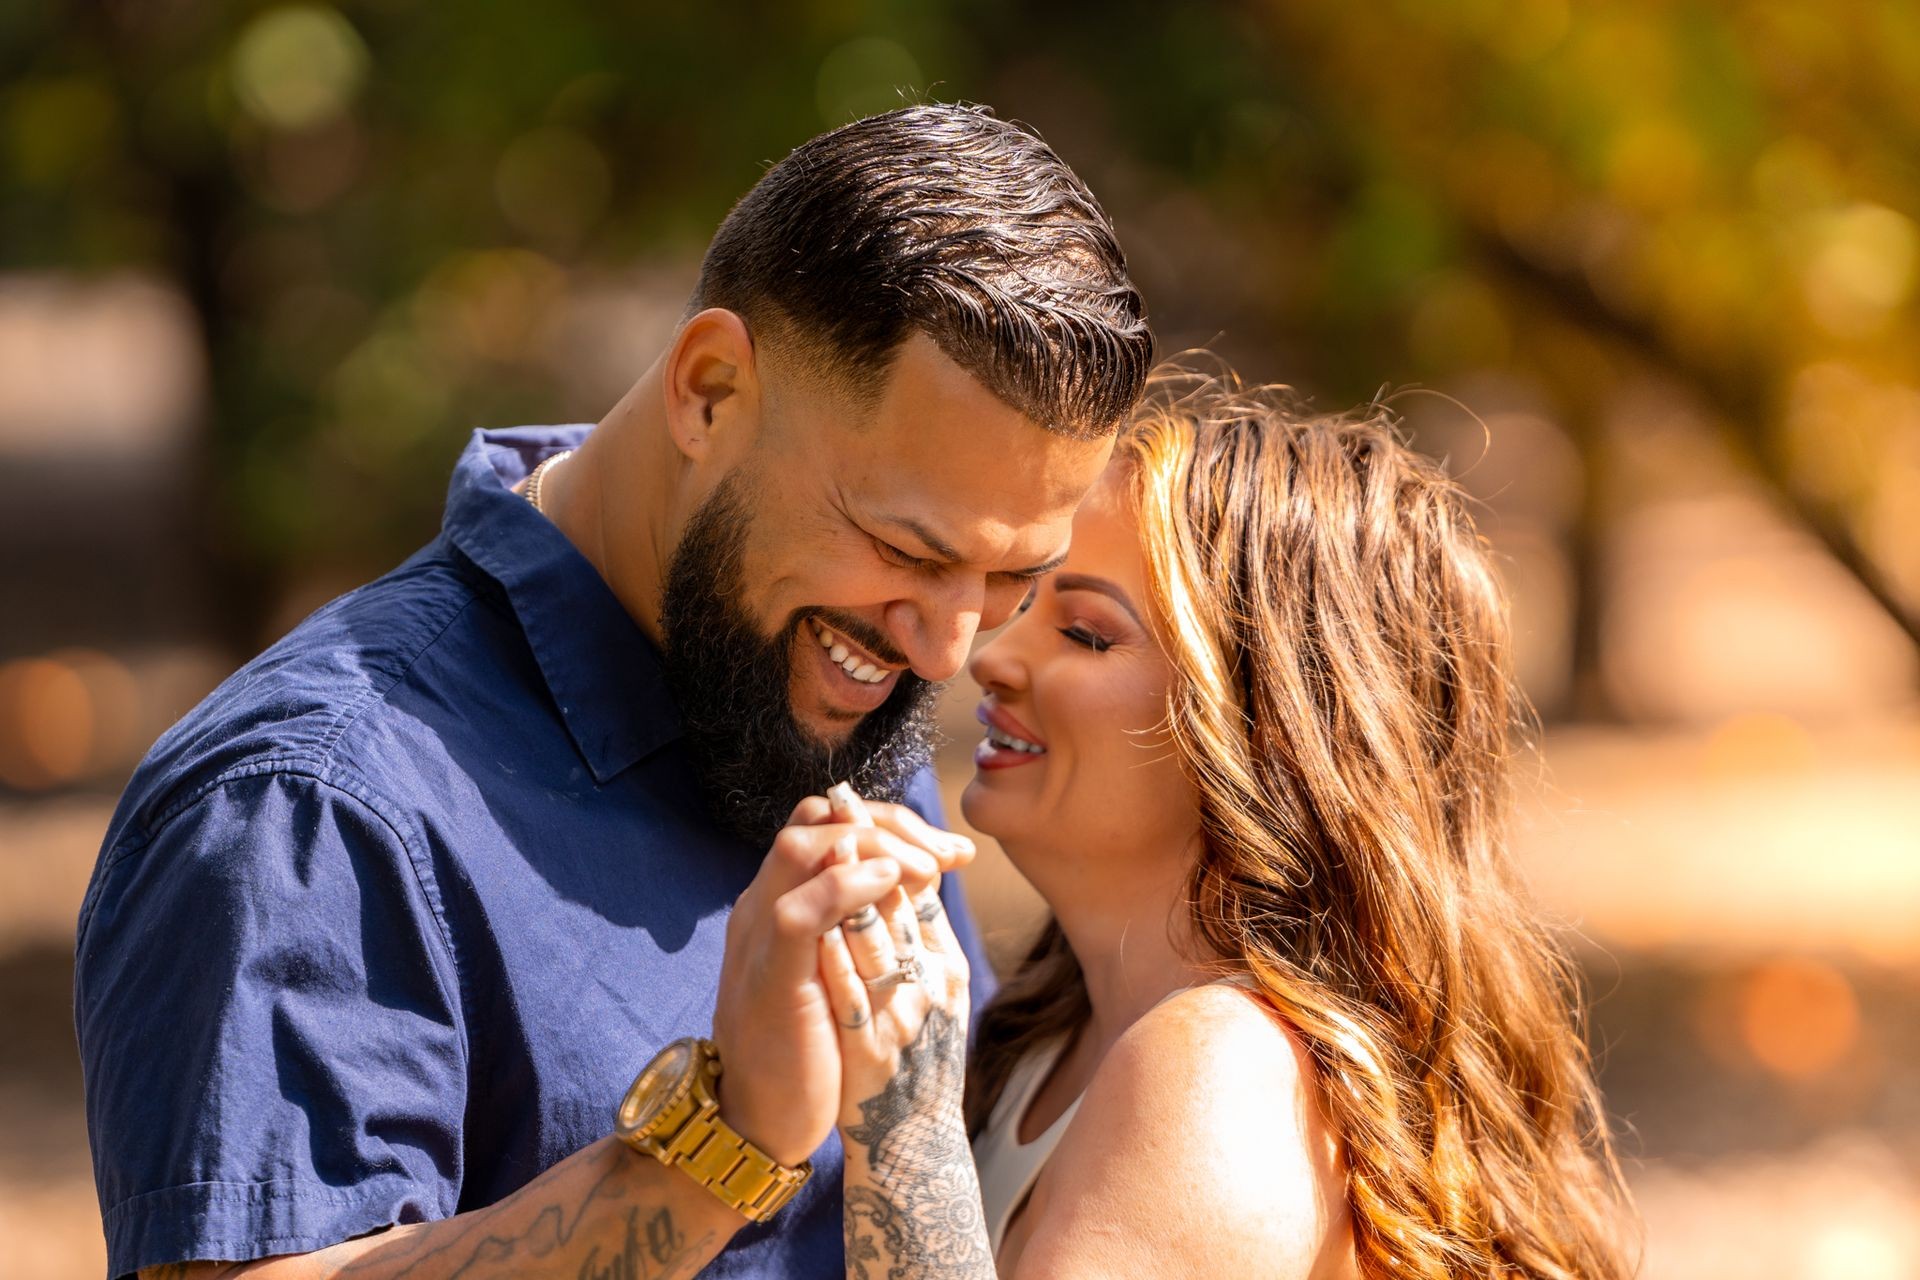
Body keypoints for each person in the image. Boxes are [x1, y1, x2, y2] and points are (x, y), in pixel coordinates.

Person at [73, 103, 1152, 1280]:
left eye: (1011, 577)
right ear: (707, 390)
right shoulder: (311, 801)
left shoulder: (839, 678)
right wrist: (716, 1140)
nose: (946, 648)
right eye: (907, 548)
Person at [764, 367, 1637, 1278]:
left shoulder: (1215, 1078)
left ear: (1272, 729)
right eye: (1026, 603)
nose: (990, 654)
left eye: (1088, 633)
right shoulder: (1060, 1036)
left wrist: (900, 1125)